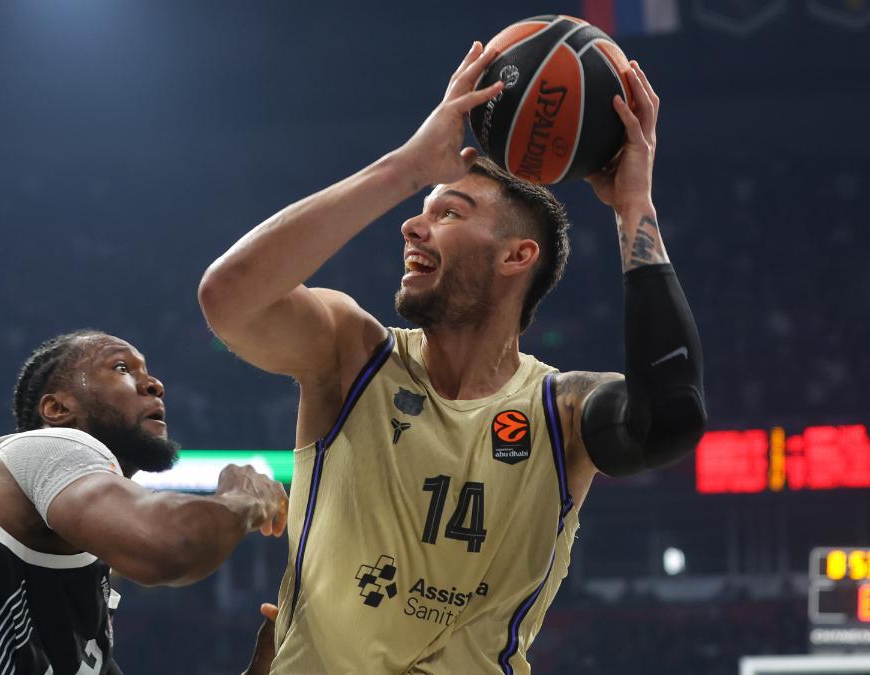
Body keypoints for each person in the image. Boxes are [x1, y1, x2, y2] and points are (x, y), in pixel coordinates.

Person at [202, 41, 706, 674]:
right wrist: (407, 168)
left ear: (516, 256)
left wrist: (634, 205)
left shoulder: (562, 410)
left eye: (448, 213)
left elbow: (670, 418)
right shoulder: (353, 355)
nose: (412, 226)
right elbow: (229, 299)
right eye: (419, 210)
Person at [0, 330, 288, 675]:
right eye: (122, 368)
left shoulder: (84, 586)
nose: (155, 384)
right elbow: (173, 545)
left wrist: (266, 668)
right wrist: (240, 498)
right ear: (57, 409)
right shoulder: (47, 447)